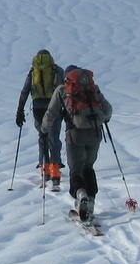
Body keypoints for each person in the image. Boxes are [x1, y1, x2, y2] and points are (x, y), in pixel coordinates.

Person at [43, 65, 113, 222]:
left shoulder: (62, 90)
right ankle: (91, 202)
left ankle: (81, 195)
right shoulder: (93, 88)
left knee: (76, 169)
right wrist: (103, 119)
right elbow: (108, 110)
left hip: (75, 134)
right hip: (95, 133)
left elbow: (51, 113)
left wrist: (44, 129)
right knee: (88, 167)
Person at [16, 49, 64, 190]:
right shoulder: (57, 70)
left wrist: (20, 111)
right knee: (54, 137)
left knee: (42, 136)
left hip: (37, 108)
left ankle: (44, 168)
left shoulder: (33, 71)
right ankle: (55, 170)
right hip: (54, 108)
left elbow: (25, 91)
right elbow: (63, 89)